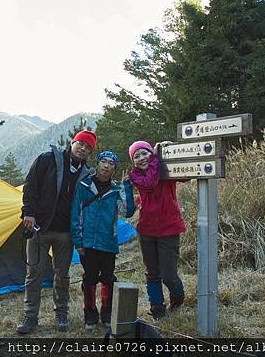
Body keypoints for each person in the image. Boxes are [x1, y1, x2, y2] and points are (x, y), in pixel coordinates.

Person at [17, 130, 97, 335]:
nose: (83, 148)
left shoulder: (87, 174)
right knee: (33, 274)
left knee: (62, 275)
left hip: (65, 234)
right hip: (39, 228)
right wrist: (29, 213)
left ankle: (61, 313)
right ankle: (30, 316)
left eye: (88, 147)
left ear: (89, 153)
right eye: (81, 143)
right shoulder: (48, 160)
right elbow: (30, 186)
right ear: (72, 142)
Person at [70, 151, 136, 329]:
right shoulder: (84, 186)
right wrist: (78, 241)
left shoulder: (115, 190)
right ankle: (90, 316)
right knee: (89, 279)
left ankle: (107, 314)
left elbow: (127, 211)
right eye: (103, 161)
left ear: (114, 169)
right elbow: (75, 214)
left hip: (108, 242)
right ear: (97, 164)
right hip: (88, 242)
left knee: (107, 278)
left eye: (111, 163)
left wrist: (126, 187)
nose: (106, 166)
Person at [128, 140, 187, 320]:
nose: (141, 158)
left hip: (169, 228)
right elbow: (151, 182)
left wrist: (169, 153)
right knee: (152, 272)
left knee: (169, 275)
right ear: (133, 162)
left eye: (144, 153)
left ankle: (178, 298)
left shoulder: (164, 169)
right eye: (136, 156)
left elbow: (186, 175)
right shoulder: (135, 176)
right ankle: (157, 309)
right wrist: (156, 156)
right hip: (146, 230)